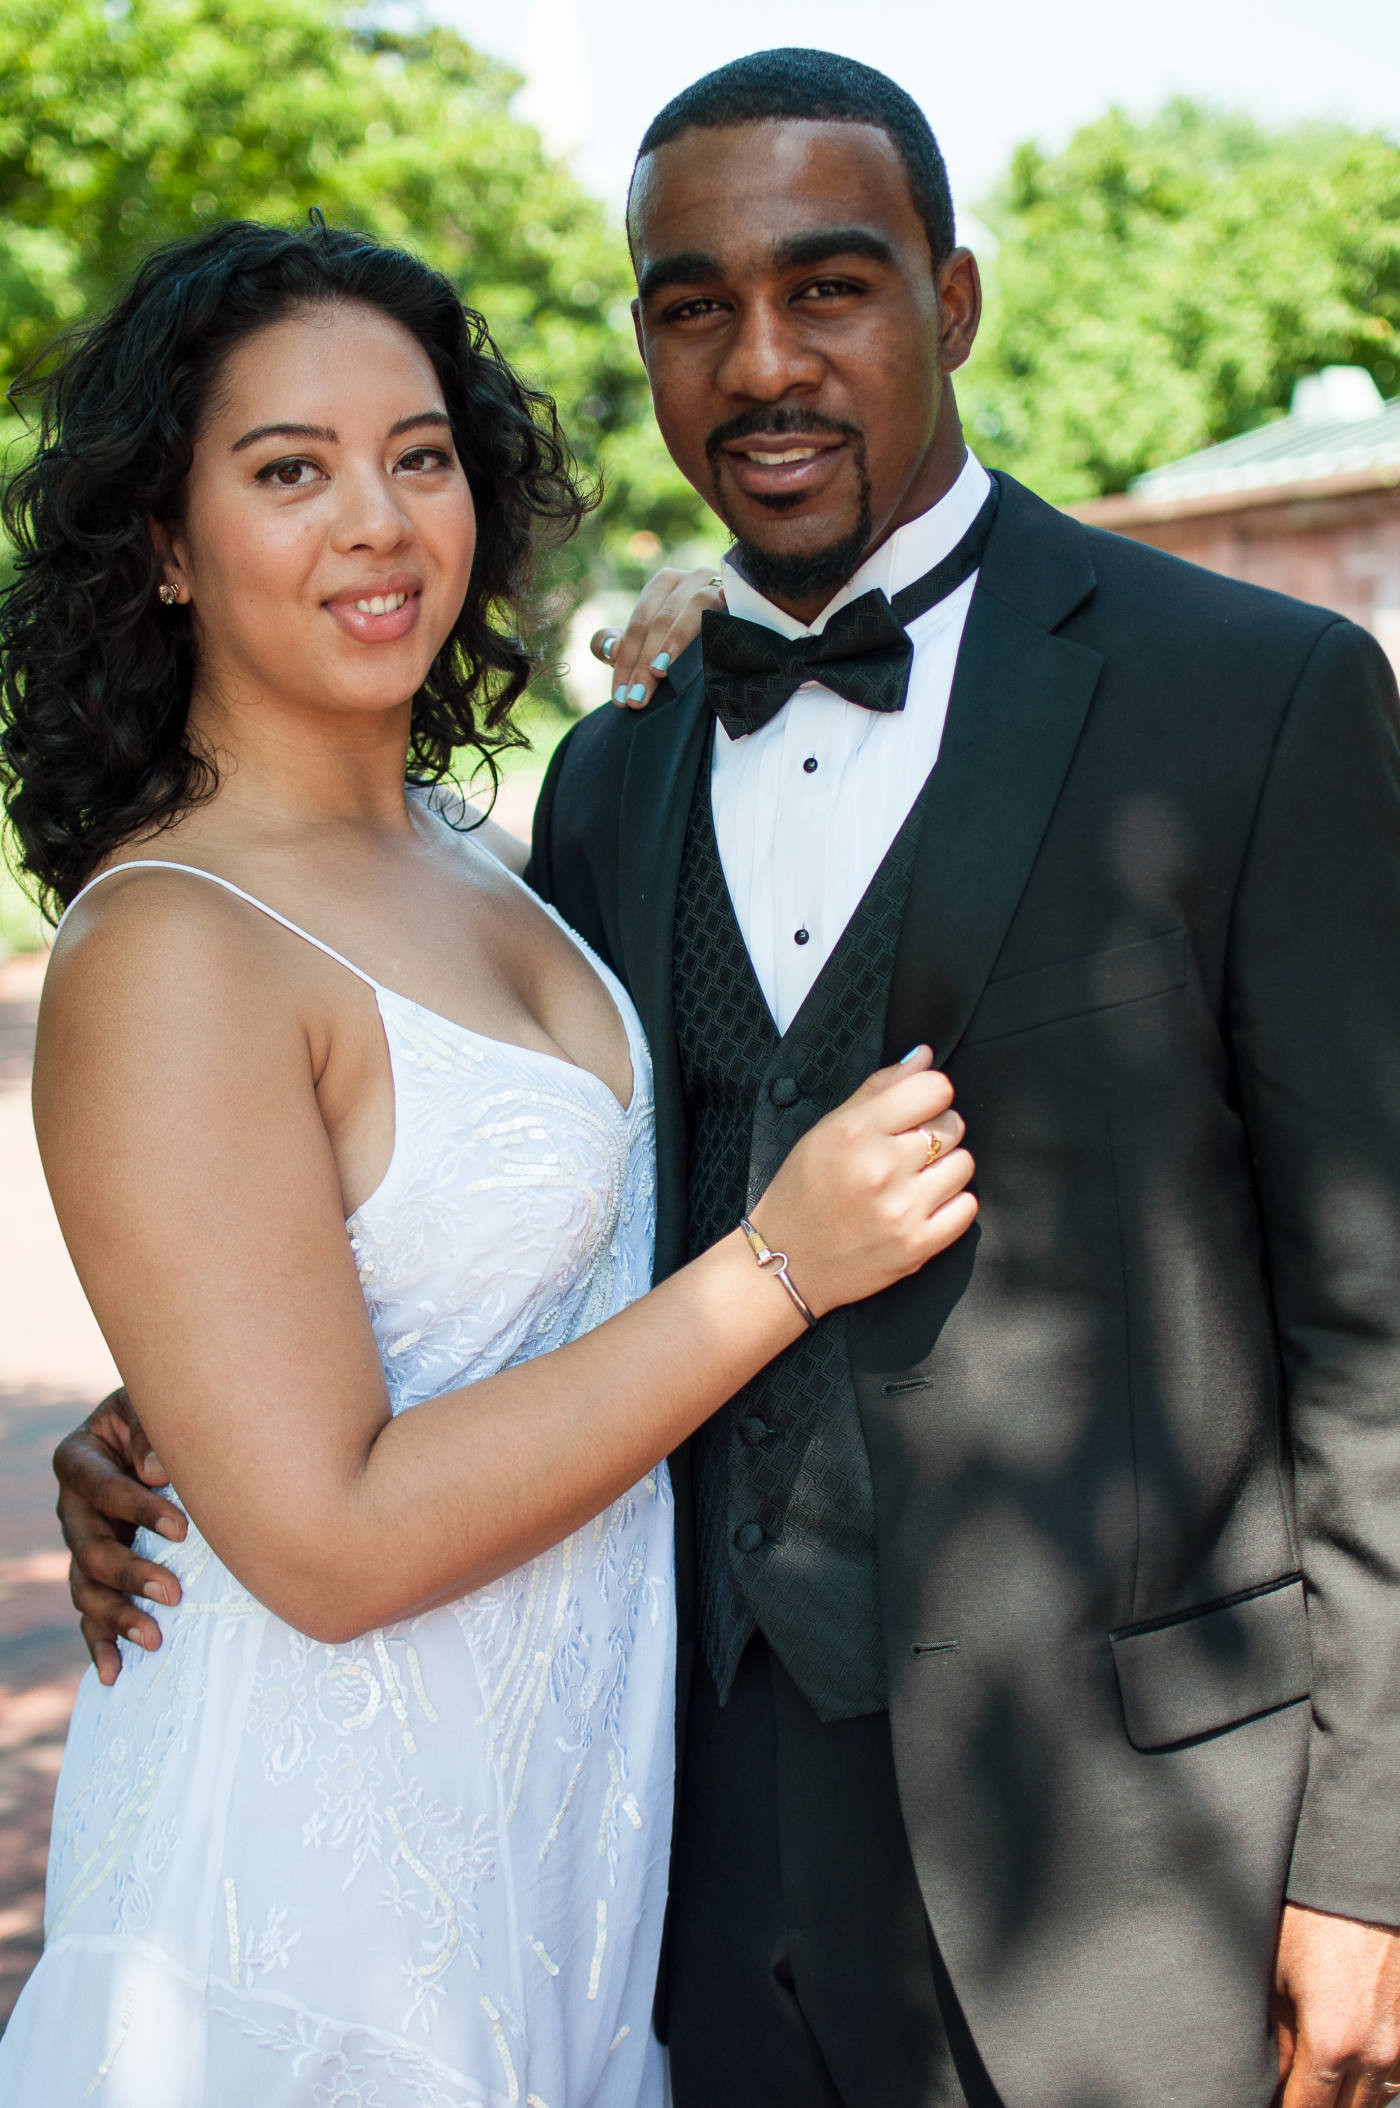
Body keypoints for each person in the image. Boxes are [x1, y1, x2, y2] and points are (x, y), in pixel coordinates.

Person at [50, 46, 1400, 2108]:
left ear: (947, 304)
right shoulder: (615, 784)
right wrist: (200, 1408)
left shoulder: (1255, 699)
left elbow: (1372, 1319)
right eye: (695, 309)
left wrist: (1369, 1864)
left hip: (1140, 1874)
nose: (762, 361)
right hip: (677, 1868)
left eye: (829, 289)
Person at [0, 214, 978, 2106]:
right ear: (167, 547)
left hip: (558, 1854)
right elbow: (334, 1542)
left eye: (419, 453)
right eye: (289, 471)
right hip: (315, 1896)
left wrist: (715, 616)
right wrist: (779, 1266)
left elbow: (456, 1273)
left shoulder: (470, 842)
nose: (377, 520)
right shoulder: (168, 946)